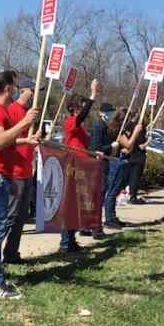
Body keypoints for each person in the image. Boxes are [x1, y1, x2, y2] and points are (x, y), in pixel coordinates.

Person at [0, 71, 40, 299]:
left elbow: (5, 138)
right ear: (8, 88)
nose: (18, 91)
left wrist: (25, 139)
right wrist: (24, 122)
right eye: (15, 87)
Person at [3, 77, 41, 265]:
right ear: (22, 90)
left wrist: (34, 137)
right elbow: (6, 140)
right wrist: (26, 129)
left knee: (21, 217)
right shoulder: (12, 111)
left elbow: (28, 140)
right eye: (32, 90)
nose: (35, 95)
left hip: (27, 171)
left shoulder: (28, 113)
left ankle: (12, 253)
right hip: (14, 172)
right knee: (10, 216)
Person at [60, 79, 100, 251]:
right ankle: (65, 242)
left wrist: (93, 154)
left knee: (77, 205)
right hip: (73, 166)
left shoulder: (81, 128)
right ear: (74, 108)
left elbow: (84, 145)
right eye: (81, 106)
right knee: (71, 204)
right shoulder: (70, 121)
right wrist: (92, 95)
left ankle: (71, 239)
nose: (84, 110)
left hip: (82, 165)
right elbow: (82, 116)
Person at [124, 118, 149, 204]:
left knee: (133, 177)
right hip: (137, 157)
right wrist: (147, 142)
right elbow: (140, 146)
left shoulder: (132, 128)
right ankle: (132, 196)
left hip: (132, 156)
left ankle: (132, 195)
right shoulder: (137, 131)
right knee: (135, 178)